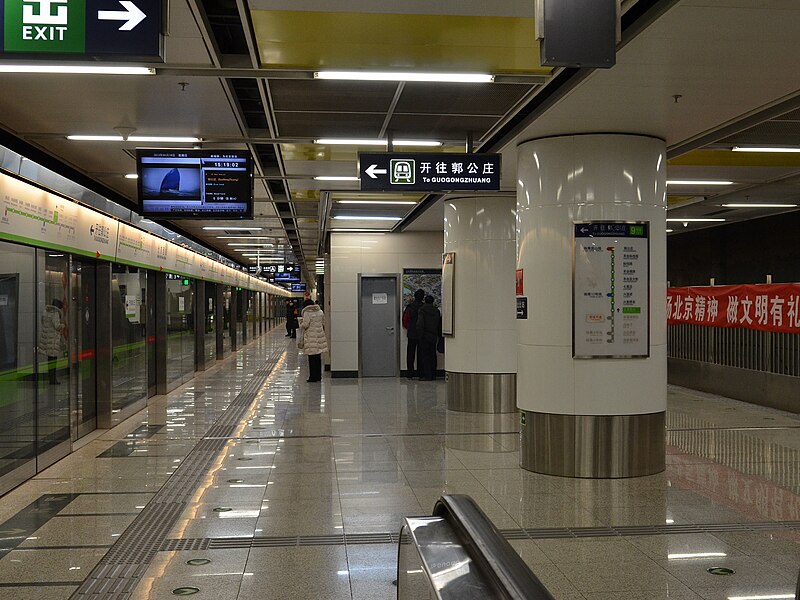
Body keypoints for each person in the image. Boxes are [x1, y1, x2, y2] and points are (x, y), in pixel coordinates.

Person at [299, 301, 327, 382]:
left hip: (311, 337)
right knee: (318, 358)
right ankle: (318, 376)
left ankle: (312, 377)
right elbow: (323, 323)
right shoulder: (320, 311)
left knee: (311, 358)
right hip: (319, 336)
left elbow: (305, 325)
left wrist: (300, 323)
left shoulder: (307, 313)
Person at [40, 298, 65, 384]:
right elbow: (57, 326)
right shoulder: (55, 313)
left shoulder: (45, 312)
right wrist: (63, 325)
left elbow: (42, 323)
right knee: (53, 361)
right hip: (53, 340)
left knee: (50, 361)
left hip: (47, 339)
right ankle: (53, 380)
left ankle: (51, 379)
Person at [415, 295, 441, 381]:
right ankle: (433, 374)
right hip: (433, 335)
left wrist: (419, 335)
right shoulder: (436, 311)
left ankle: (427, 375)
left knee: (425, 356)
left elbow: (420, 323)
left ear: (425, 301)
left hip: (424, 336)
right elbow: (438, 323)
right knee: (433, 355)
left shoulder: (422, 310)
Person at [402, 289, 425, 379]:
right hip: (422, 333)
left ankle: (410, 373)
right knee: (421, 354)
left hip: (411, 333)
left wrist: (410, 328)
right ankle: (421, 373)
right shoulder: (424, 307)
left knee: (410, 354)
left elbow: (405, 319)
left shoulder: (410, 307)